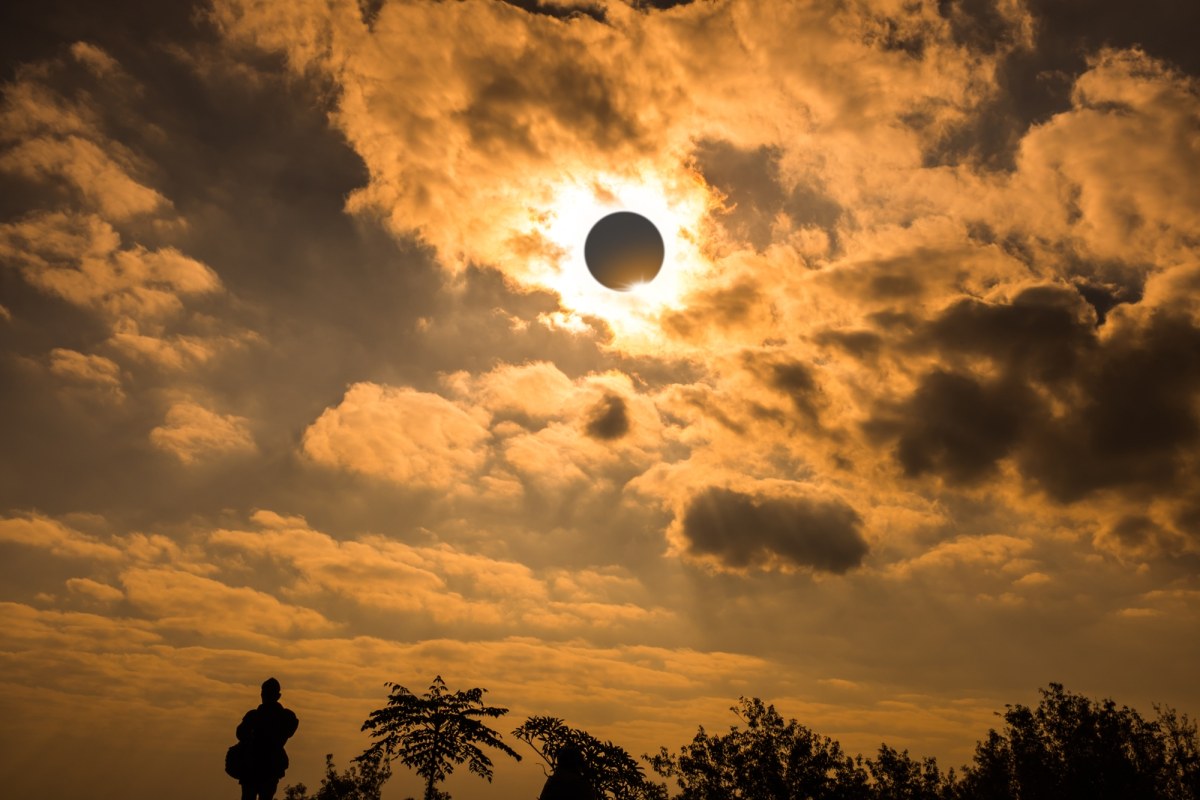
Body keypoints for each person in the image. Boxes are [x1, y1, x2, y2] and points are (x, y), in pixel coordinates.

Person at [236, 677, 299, 800]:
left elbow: (241, 734)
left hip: (266, 765)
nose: (264, 696)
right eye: (264, 693)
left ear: (277, 696)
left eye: (267, 693)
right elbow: (240, 734)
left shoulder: (284, 716)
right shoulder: (255, 715)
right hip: (256, 765)